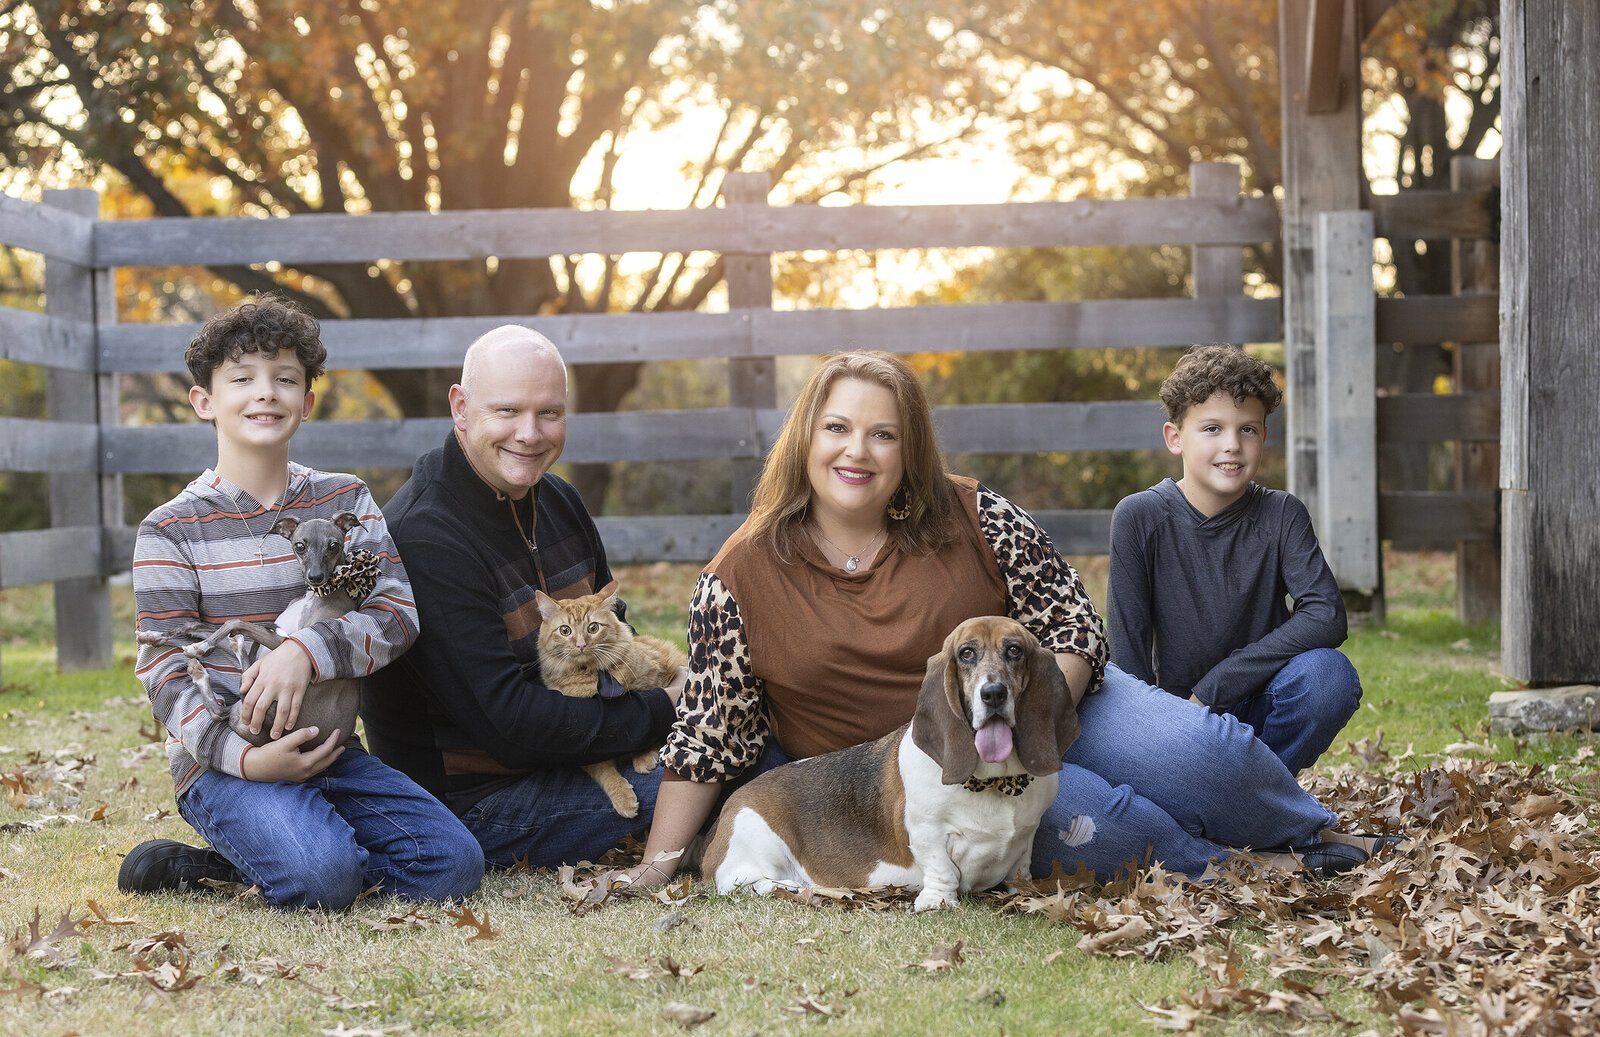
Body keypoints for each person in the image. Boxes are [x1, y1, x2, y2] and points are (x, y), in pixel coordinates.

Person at [631, 351, 1387, 887]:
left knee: (1208, 757)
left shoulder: (974, 513)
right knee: (1117, 831)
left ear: (908, 446)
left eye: (882, 433)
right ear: (806, 438)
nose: (856, 450)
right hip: (928, 776)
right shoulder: (739, 574)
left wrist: (1030, 731)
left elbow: (1073, 624)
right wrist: (656, 865)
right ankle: (1256, 865)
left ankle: (1312, 830)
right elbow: (708, 732)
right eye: (836, 428)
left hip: (1054, 701)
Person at [119, 296, 484, 910]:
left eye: (285, 379)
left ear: (307, 403)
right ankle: (275, 851)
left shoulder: (345, 499)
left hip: (329, 746)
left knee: (454, 865)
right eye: (242, 379)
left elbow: (396, 615)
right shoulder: (171, 529)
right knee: (323, 878)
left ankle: (241, 865)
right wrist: (245, 760)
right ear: (205, 401)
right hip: (225, 763)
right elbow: (162, 666)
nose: (266, 393)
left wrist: (305, 654)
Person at [361, 325, 687, 869]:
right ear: (461, 408)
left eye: (550, 413)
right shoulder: (425, 536)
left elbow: (616, 636)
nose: (531, 434)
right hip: (477, 804)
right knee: (730, 776)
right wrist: (666, 708)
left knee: (738, 750)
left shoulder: (558, 499)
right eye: (507, 411)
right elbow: (510, 728)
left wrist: (668, 686)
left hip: (578, 755)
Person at [1108, 345, 1362, 774]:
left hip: (1264, 709)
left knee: (1328, 678)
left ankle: (1254, 797)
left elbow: (1326, 616)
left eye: (1248, 429)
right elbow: (1127, 656)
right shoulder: (1139, 516)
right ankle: (1241, 807)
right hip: (1176, 719)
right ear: (1175, 437)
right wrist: (1153, 734)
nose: (1232, 445)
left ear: (1263, 437)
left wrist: (1215, 687)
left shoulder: (1282, 513)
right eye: (1211, 428)